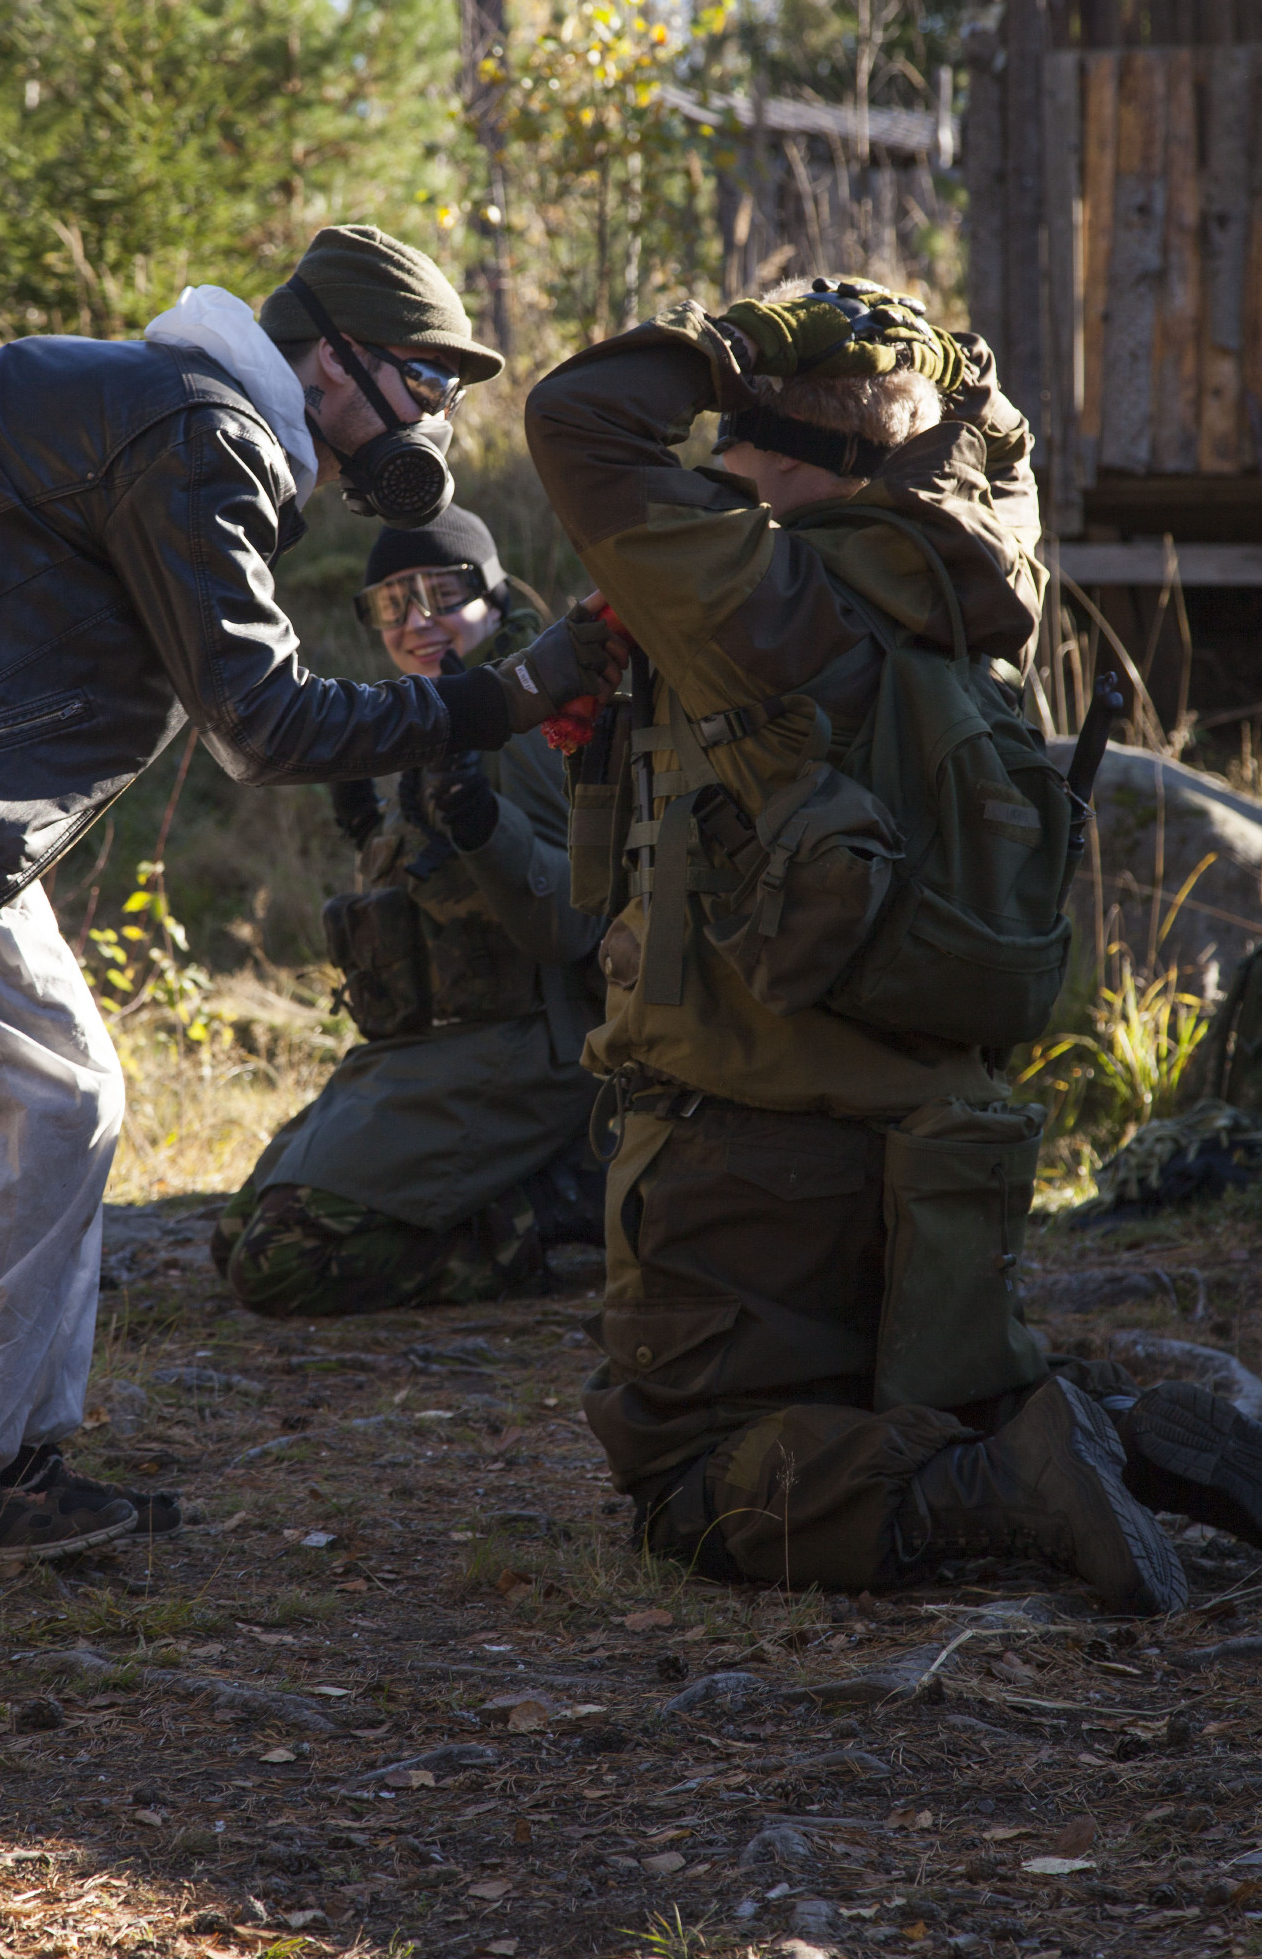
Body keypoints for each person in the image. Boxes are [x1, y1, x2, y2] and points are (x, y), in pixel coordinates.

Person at [0, 226, 623, 1577]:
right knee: (39, 1099)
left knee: (60, 1091)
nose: (430, 423)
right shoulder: (206, 435)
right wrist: (505, 694)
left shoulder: (133, 384)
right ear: (330, 363)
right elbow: (266, 726)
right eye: (422, 381)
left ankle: (3, 1456)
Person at [524, 277, 1262, 1613]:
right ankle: (1116, 1429)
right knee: (913, 1398)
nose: (714, 470)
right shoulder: (973, 590)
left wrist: (738, 340)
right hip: (945, 1152)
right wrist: (933, 370)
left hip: (749, 1160)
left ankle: (1002, 1485)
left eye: (734, 445)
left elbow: (576, 415)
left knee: (687, 1486)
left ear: (793, 456)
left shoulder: (757, 596)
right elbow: (992, 442)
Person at [212, 506, 606, 1314]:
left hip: (528, 1047)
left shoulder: (534, 722)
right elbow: (440, 909)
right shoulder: (443, 711)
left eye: (443, 592)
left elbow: (575, 923)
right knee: (234, 1237)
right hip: (427, 1047)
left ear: (494, 595)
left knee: (281, 1262)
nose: (417, 621)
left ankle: (554, 1208)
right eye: (392, 603)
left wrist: (482, 824)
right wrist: (373, 835)